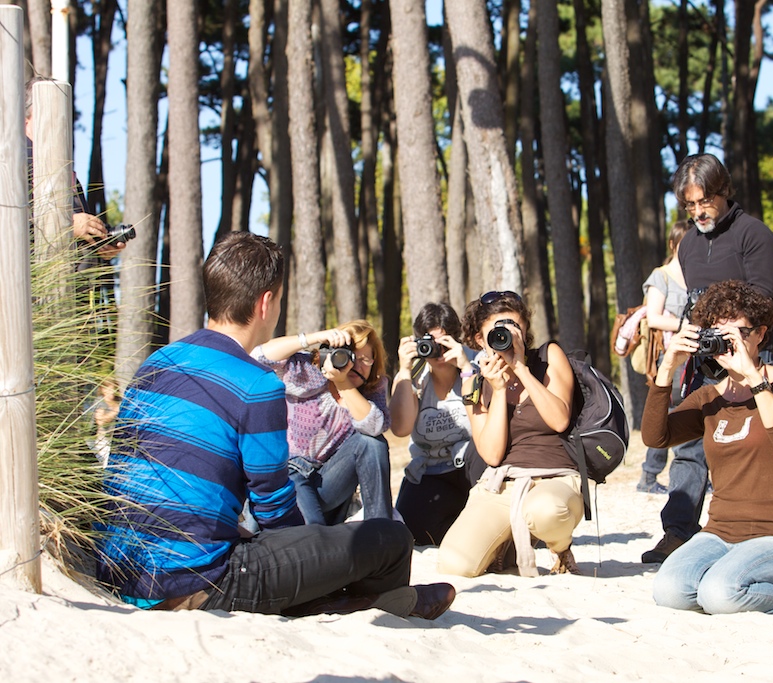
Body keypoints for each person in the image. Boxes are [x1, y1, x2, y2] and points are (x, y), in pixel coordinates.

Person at [96, 233, 454, 620]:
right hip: (195, 582)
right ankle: (365, 599)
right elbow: (275, 512)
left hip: (120, 569)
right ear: (266, 302)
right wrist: (318, 552)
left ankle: (343, 598)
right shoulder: (256, 383)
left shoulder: (157, 362)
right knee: (392, 539)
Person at [645, 280, 773, 616]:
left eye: (737, 334)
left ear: (760, 334)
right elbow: (655, 437)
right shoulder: (709, 397)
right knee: (669, 590)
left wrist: (752, 376)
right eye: (718, 334)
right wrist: (667, 367)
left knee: (720, 593)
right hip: (720, 532)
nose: (727, 344)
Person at [642, 154, 773, 564]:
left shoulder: (755, 235)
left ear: (724, 192)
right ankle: (678, 532)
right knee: (688, 448)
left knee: (755, 446)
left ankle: (759, 535)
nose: (698, 212)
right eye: (689, 205)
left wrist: (738, 347)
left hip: (752, 359)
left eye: (704, 202)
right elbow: (690, 304)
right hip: (703, 363)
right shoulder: (688, 244)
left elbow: (764, 303)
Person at [437, 291, 584, 577]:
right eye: (497, 330)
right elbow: (492, 454)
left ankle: (561, 547)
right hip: (503, 484)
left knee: (545, 511)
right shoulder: (474, 385)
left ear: (525, 329)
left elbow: (559, 420)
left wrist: (521, 369)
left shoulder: (548, 357)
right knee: (455, 564)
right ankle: (505, 544)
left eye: (514, 326)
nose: (507, 335)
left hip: (556, 479)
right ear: (480, 338)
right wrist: (500, 389)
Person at [252, 320, 393, 525]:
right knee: (315, 535)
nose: (355, 365)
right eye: (350, 355)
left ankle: (381, 533)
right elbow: (259, 356)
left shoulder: (372, 389)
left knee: (373, 443)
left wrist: (342, 383)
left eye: (365, 360)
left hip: (328, 482)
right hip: (289, 474)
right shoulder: (308, 372)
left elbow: (375, 427)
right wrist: (314, 337)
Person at [391, 302, 482, 545]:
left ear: (457, 339)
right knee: (413, 532)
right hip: (430, 469)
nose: (438, 353)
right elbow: (400, 429)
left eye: (444, 343)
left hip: (473, 464)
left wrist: (465, 369)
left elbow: (490, 419)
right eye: (430, 344)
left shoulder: (476, 362)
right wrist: (404, 369)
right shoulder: (414, 375)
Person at [25, 76, 124, 262]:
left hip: (69, 283)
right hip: (28, 285)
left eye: (60, 116)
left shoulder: (63, 169)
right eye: (47, 116)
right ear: (25, 122)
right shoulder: (11, 164)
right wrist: (67, 225)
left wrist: (98, 242)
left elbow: (76, 231)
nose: (57, 124)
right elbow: (11, 222)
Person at [636, 222, 691, 495]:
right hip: (669, 356)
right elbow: (653, 316)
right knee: (670, 413)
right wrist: (685, 325)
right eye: (685, 243)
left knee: (689, 411)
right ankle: (650, 475)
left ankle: (691, 474)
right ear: (673, 245)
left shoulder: (698, 273)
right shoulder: (662, 276)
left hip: (695, 355)